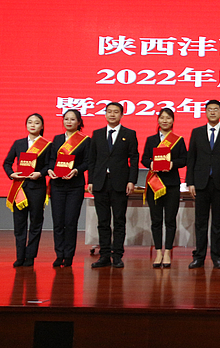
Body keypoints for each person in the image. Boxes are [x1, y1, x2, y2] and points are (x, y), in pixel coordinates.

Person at [186, 100, 220, 270]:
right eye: (210, 109)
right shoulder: (197, 132)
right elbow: (191, 158)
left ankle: (217, 257)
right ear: (206, 112)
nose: (213, 112)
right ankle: (199, 257)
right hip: (201, 183)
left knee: (217, 222)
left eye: (216, 109)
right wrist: (190, 182)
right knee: (200, 222)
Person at [87, 102, 139, 268]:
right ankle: (104, 255)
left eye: (116, 112)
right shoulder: (97, 134)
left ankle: (117, 255)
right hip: (100, 183)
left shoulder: (129, 134)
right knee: (103, 221)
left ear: (121, 115)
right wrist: (90, 180)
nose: (112, 115)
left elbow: (134, 159)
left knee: (119, 220)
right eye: (109, 111)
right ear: (105, 114)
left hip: (120, 183)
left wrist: (131, 180)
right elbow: (92, 160)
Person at [3, 113, 52, 267]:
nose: (33, 125)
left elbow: (49, 165)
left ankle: (30, 256)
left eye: (36, 123)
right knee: (19, 223)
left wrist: (40, 173)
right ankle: (20, 256)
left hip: (37, 188)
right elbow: (7, 162)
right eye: (30, 122)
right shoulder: (18, 143)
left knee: (36, 222)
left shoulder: (47, 145)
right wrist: (11, 174)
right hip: (20, 188)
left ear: (42, 126)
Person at [141, 108, 187, 269]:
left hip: (172, 184)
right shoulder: (151, 139)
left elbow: (184, 159)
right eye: (162, 118)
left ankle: (167, 251)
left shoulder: (178, 140)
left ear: (173, 121)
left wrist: (172, 164)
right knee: (156, 220)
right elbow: (144, 159)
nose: (165, 120)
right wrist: (151, 164)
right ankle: (158, 252)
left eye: (168, 118)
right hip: (154, 183)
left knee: (170, 220)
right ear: (158, 120)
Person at [47, 109, 89, 268]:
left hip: (75, 186)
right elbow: (52, 159)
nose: (69, 122)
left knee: (70, 222)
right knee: (58, 222)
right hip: (57, 185)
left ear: (79, 122)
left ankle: (69, 255)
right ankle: (59, 254)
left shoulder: (85, 140)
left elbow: (87, 162)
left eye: (72, 119)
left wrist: (76, 170)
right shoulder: (57, 139)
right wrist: (50, 170)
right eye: (66, 119)